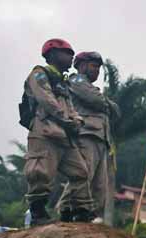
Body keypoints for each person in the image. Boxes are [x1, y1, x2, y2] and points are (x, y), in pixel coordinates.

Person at [22, 39, 94, 225]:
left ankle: (80, 212)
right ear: (52, 55)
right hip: (44, 132)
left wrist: (77, 120)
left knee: (80, 172)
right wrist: (68, 119)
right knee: (40, 172)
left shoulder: (62, 82)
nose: (71, 57)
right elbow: (46, 100)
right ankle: (38, 213)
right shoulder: (39, 74)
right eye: (67, 53)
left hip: (64, 135)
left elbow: (70, 107)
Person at [60, 51, 119, 223]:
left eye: (99, 68)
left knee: (99, 184)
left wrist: (106, 103)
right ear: (82, 65)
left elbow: (111, 108)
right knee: (82, 176)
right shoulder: (77, 80)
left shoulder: (91, 87)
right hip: (86, 134)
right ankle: (66, 210)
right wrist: (108, 103)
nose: (97, 71)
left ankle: (88, 213)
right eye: (93, 66)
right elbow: (94, 99)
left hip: (100, 137)